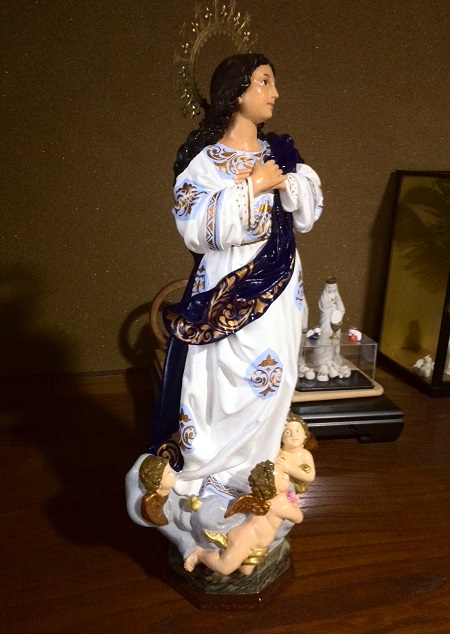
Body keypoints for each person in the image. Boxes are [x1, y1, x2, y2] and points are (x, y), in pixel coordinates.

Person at [154, 54, 323, 504]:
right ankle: (209, 475)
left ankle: (256, 469)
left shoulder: (280, 152)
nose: (275, 93)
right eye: (264, 82)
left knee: (274, 375)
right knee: (220, 378)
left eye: (273, 83)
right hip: (227, 287)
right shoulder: (206, 162)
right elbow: (193, 223)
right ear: (236, 92)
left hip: (280, 288)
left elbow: (309, 205)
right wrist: (252, 187)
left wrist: (284, 182)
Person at [183, 460, 303, 576]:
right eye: (282, 477)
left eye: (284, 473)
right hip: (246, 539)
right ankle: (200, 554)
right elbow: (298, 517)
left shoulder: (273, 499)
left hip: (259, 544)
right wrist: (294, 501)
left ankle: (235, 560)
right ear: (275, 489)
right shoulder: (281, 506)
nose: (286, 476)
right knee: (225, 568)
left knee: (246, 571)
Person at [277, 412, 316, 494]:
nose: (293, 435)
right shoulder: (278, 454)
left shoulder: (305, 454)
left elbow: (310, 476)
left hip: (294, 493)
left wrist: (289, 468)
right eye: (287, 432)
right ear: (281, 437)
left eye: (297, 431)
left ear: (305, 435)